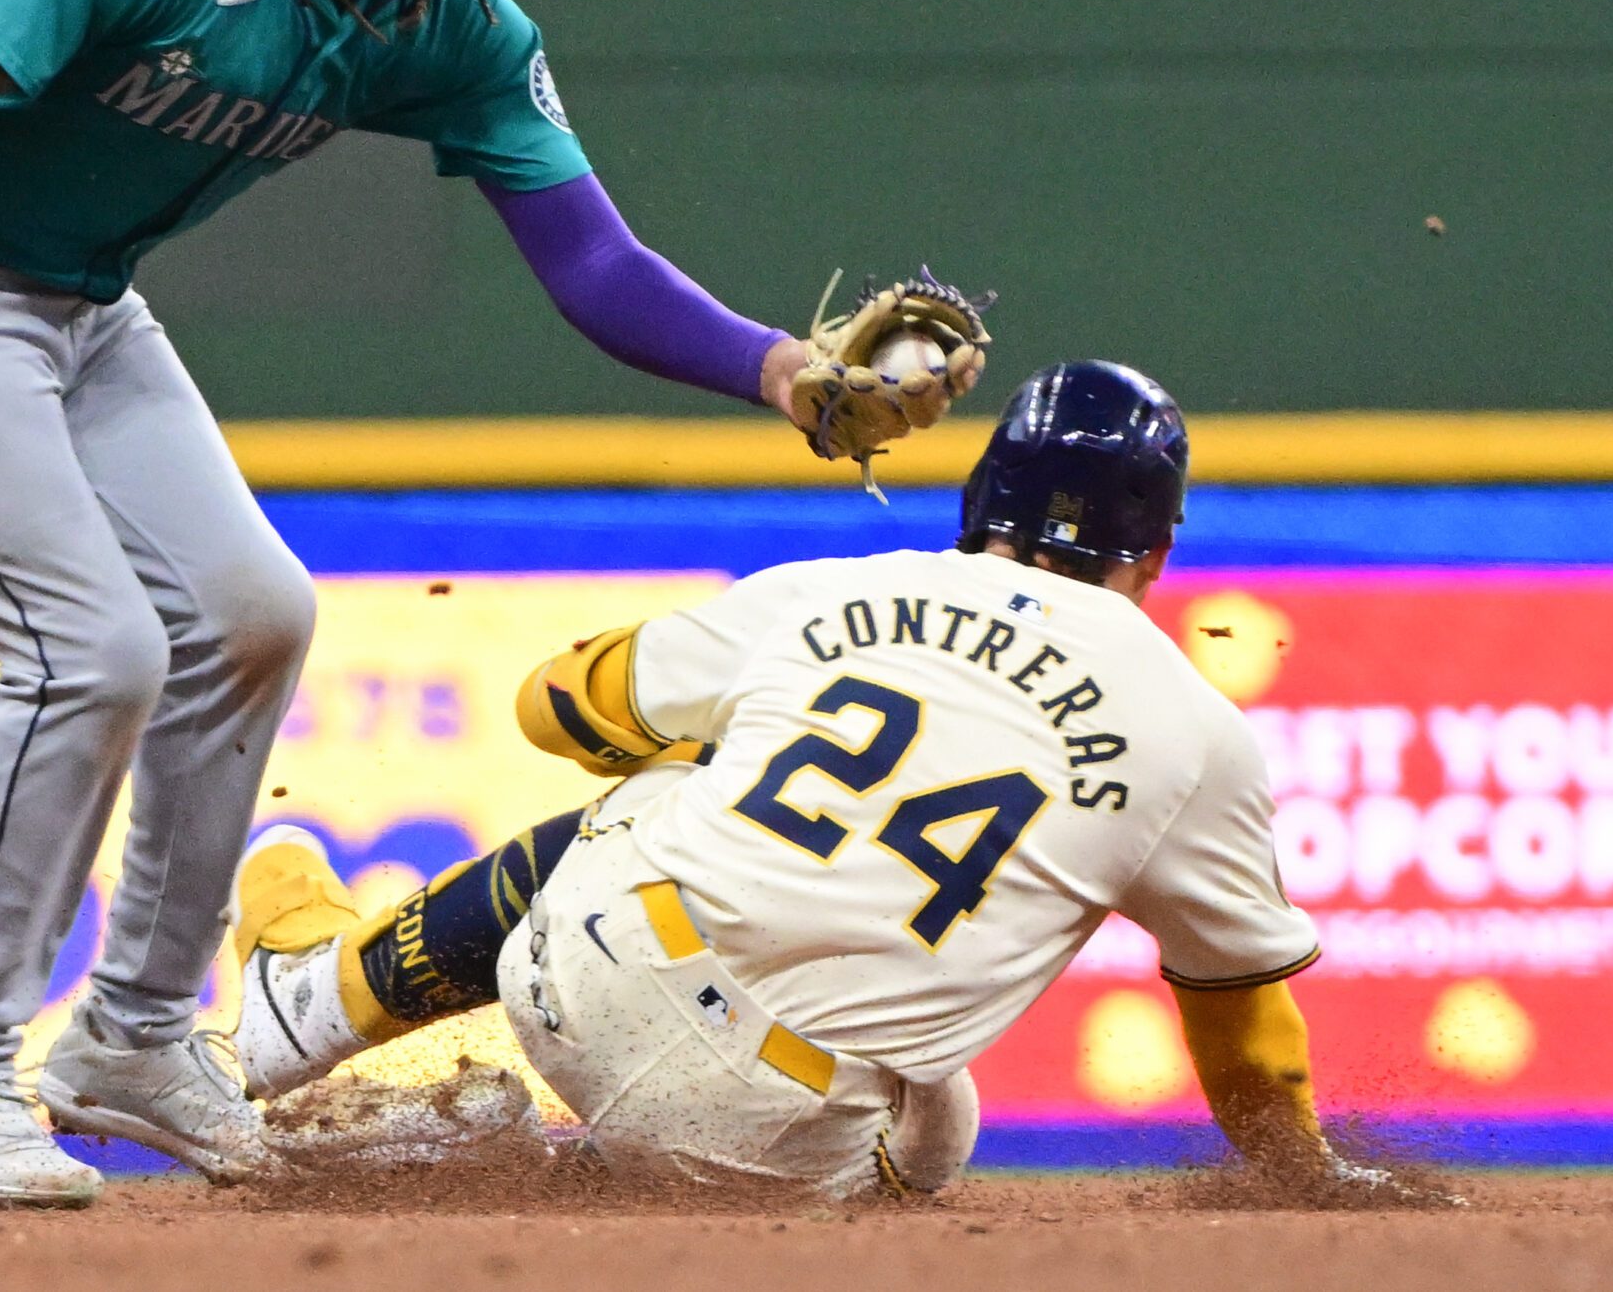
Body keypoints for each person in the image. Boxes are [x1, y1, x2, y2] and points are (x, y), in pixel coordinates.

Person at [0, 0, 976, 1208]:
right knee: (93, 647)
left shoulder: (447, 18)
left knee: (254, 613)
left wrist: (785, 373)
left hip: (74, 296)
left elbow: (592, 258)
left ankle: (131, 1039)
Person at [229, 362, 1423, 1197]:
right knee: (938, 1113)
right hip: (771, 1140)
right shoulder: (1198, 731)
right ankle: (510, 1159)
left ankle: (316, 1005)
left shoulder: (826, 589)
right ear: (1158, 549)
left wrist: (667, 726)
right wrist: (1299, 1172)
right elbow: (1237, 1001)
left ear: (979, 498)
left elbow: (549, 707)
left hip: (585, 969)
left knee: (674, 787)